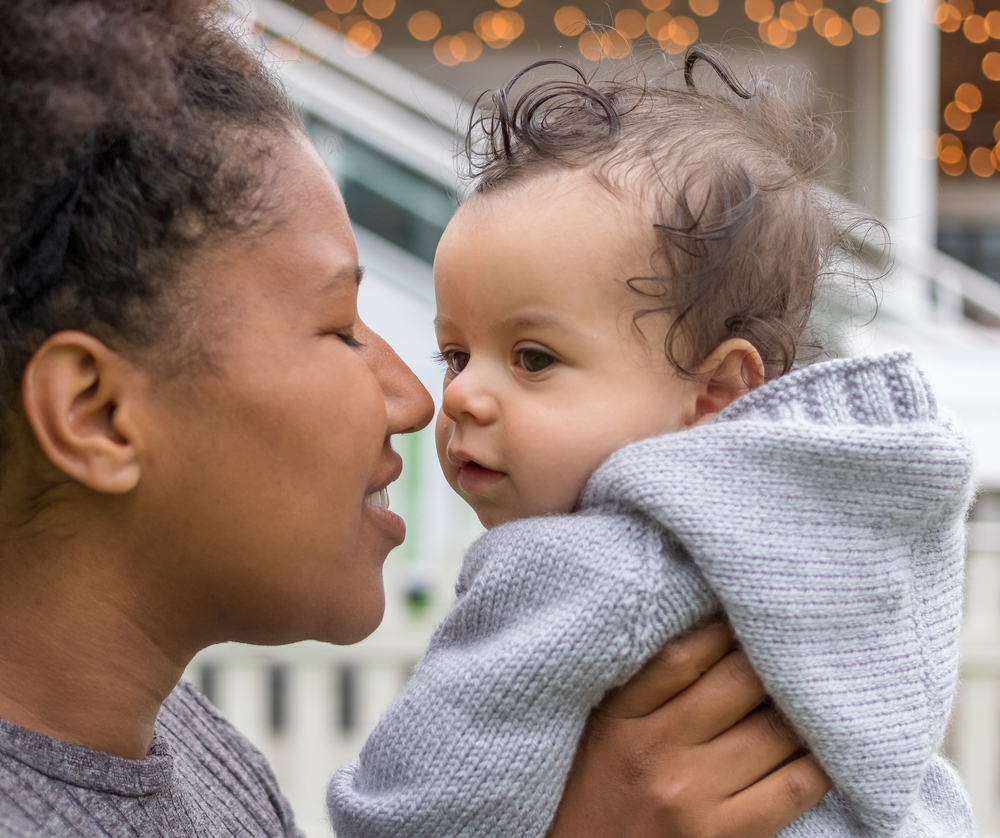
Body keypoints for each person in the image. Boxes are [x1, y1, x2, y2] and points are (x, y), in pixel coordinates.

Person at [0, 2, 833, 836]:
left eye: (534, 357)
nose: (419, 399)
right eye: (340, 330)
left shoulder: (197, 756)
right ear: (99, 413)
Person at [327, 53, 977, 837]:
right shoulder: (852, 554)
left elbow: (418, 811)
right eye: (456, 355)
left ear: (713, 395)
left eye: (534, 358)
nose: (461, 394)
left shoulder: (586, 568)